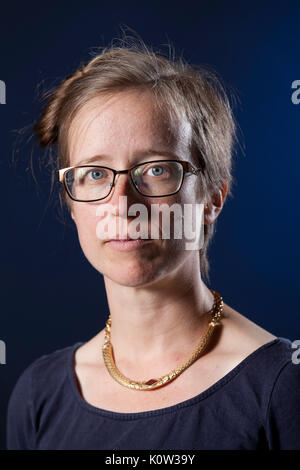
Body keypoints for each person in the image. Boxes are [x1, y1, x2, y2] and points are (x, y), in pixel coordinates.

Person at [6, 36, 300, 450]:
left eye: (156, 169)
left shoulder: (282, 389)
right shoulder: (39, 395)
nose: (122, 204)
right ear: (70, 203)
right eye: (94, 174)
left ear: (212, 198)